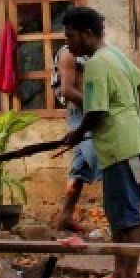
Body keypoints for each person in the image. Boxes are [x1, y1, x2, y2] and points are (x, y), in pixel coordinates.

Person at [59, 6, 140, 278]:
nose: (69, 44)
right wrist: (130, 112)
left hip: (120, 146)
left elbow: (97, 112)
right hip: (130, 140)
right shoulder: (114, 55)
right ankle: (119, 273)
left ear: (87, 33)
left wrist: (76, 134)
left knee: (127, 215)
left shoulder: (97, 64)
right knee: (117, 214)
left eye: (71, 36)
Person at [51, 43, 100, 234]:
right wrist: (97, 106)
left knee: (82, 164)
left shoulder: (93, 52)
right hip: (82, 112)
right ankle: (124, 213)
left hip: (91, 110)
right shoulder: (68, 54)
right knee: (93, 158)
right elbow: (67, 90)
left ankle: (65, 217)